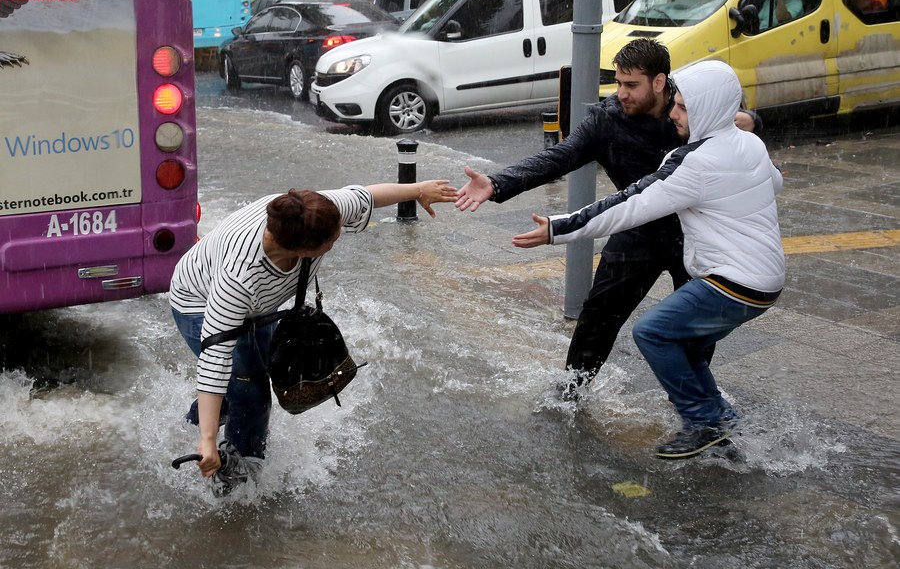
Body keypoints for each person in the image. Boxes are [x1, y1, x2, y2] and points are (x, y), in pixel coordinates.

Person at [454, 38, 760, 399]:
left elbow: (736, 121)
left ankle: (694, 404)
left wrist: (751, 120)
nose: (622, 94)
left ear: (659, 82)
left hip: (693, 234)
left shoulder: (689, 109)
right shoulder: (607, 120)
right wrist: (496, 182)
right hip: (637, 228)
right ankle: (571, 393)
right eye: (618, 83)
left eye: (632, 85)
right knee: (598, 315)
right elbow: (560, 156)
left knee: (691, 331)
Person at [512, 60, 785, 459]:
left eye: (684, 108)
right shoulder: (750, 144)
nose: (673, 114)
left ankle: (702, 421)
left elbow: (629, 205)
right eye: (675, 104)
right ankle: (721, 422)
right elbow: (773, 180)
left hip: (732, 282)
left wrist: (557, 228)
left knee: (653, 332)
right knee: (688, 346)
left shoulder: (696, 162)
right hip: (767, 283)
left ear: (709, 109)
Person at [170, 181, 457, 483]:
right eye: (331, 242)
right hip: (197, 299)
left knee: (262, 370)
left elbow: (366, 196)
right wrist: (207, 440)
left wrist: (418, 189)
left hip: (259, 304)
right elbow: (216, 357)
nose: (338, 237)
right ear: (303, 250)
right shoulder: (239, 277)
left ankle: (200, 420)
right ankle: (238, 481)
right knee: (251, 390)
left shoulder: (312, 212)